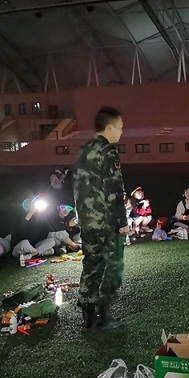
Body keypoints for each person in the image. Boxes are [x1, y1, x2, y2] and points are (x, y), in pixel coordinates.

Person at [73, 106, 129, 331]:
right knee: (111, 267)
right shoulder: (108, 151)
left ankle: (88, 318)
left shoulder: (84, 151)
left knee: (91, 266)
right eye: (120, 127)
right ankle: (103, 316)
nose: (122, 132)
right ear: (110, 128)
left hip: (87, 221)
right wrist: (122, 222)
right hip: (106, 222)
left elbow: (77, 188)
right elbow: (114, 190)